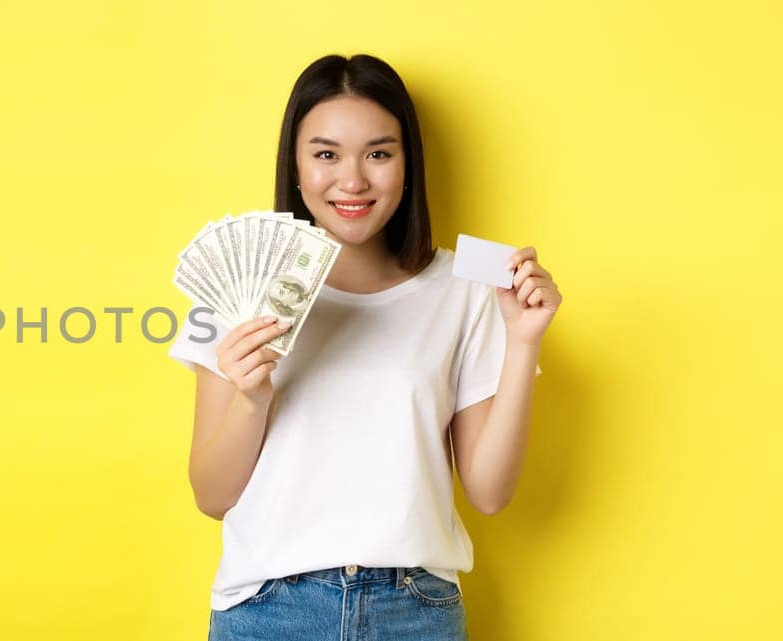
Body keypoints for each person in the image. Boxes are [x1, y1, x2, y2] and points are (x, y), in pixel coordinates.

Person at [167, 54, 562, 640]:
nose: (352, 181)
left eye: (379, 153)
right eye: (326, 154)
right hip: (269, 611)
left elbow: (489, 492)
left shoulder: (465, 291)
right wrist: (251, 397)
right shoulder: (236, 288)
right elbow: (212, 496)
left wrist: (523, 343)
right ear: (296, 166)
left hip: (415, 612)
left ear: (408, 167)